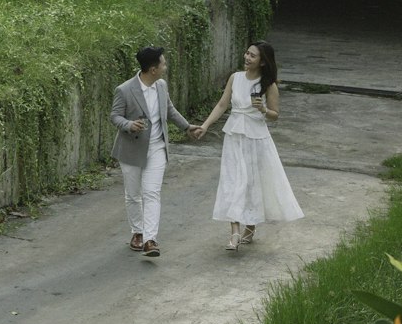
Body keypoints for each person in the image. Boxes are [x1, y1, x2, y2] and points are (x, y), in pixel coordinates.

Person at [191, 40, 303, 252]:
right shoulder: (235, 77)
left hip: (256, 139)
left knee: (252, 183)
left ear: (262, 62)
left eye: (253, 56)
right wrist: (205, 125)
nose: (247, 57)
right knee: (233, 181)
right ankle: (234, 232)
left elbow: (275, 115)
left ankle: (250, 227)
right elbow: (223, 104)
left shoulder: (268, 85)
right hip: (234, 136)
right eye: (247, 53)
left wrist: (263, 109)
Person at [110, 45, 193, 259]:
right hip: (131, 149)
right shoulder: (125, 90)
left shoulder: (161, 86)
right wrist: (129, 124)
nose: (165, 66)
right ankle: (137, 232)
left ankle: (150, 239)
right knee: (134, 195)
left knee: (152, 192)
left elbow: (170, 110)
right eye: (163, 63)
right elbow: (115, 116)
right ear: (153, 69)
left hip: (157, 147)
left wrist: (187, 127)